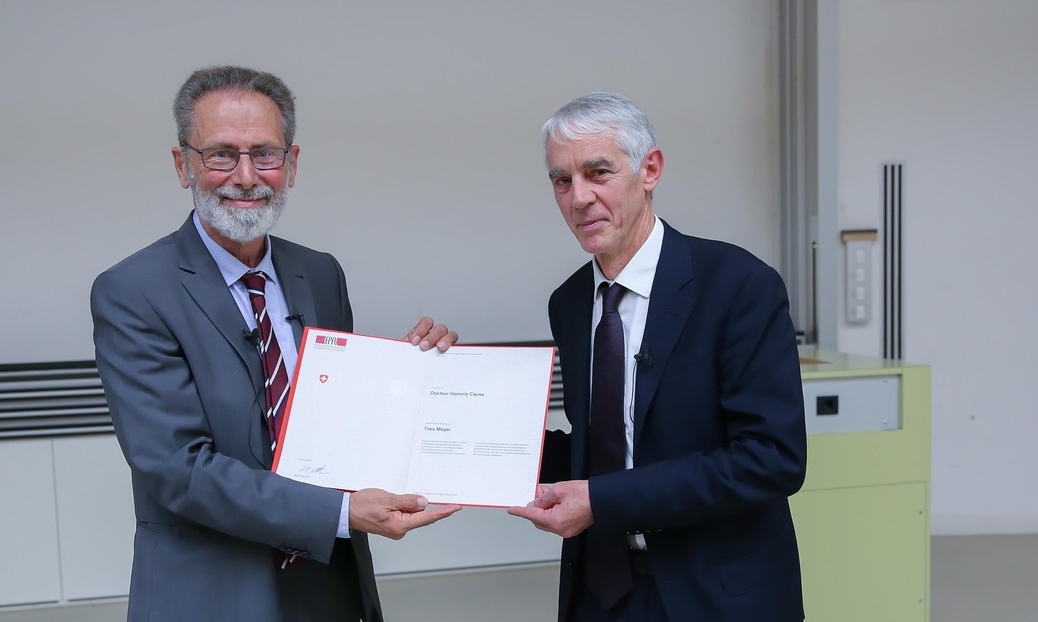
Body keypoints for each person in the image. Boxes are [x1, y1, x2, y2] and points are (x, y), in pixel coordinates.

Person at [91, 66, 460, 622]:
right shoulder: (133, 291)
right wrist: (339, 511)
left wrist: (412, 375)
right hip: (213, 595)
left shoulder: (320, 273)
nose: (245, 176)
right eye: (221, 154)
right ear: (181, 164)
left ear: (291, 163)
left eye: (265, 154)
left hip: (330, 586)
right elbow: (177, 469)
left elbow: (341, 426)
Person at [508, 92, 807, 621]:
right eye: (561, 180)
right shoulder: (570, 303)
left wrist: (603, 501)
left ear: (650, 170)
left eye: (598, 172)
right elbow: (605, 445)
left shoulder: (738, 286)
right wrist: (453, 423)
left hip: (715, 596)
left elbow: (771, 458)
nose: (579, 197)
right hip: (599, 593)